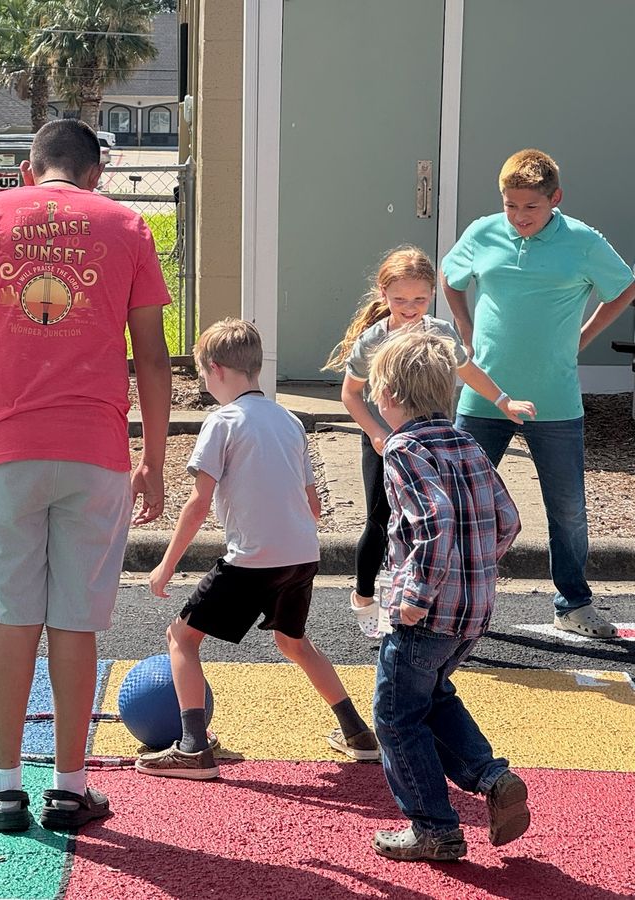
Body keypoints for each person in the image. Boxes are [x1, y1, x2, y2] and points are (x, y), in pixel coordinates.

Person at [0, 119, 172, 833]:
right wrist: (154, 460)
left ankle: (5, 787)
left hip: (4, 447)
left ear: (27, 169)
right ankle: (70, 788)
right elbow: (152, 356)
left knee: (13, 621)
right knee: (75, 622)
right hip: (94, 451)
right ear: (98, 173)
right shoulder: (127, 225)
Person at [138, 318, 378, 780]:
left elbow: (198, 503)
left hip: (252, 559)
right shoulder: (289, 420)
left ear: (216, 368)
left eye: (203, 374)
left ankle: (192, 748)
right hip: (302, 556)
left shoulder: (222, 421)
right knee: (293, 642)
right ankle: (358, 734)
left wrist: (166, 566)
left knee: (181, 638)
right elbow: (313, 504)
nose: (205, 383)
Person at [442, 149, 635, 639]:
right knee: (460, 501)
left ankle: (573, 604)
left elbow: (624, 288)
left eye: (531, 206)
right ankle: (451, 597)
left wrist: (583, 338)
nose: (519, 216)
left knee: (567, 509)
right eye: (511, 205)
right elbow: (450, 276)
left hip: (555, 400)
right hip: (484, 396)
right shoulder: (483, 232)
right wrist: (465, 328)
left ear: (556, 198)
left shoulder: (584, 242)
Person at [366, 328, 529, 862]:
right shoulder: (467, 443)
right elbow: (508, 519)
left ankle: (434, 827)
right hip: (472, 612)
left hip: (427, 613)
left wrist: (417, 593)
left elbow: (433, 521)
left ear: (391, 395)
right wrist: (475, 568)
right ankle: (491, 776)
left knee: (396, 716)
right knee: (432, 697)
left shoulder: (403, 448)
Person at [323, 246, 535, 637]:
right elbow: (350, 394)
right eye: (400, 299)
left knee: (431, 516)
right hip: (386, 439)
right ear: (383, 294)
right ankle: (365, 595)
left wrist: (503, 401)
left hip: (431, 440)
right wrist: (375, 432)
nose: (410, 308)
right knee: (381, 518)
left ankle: (419, 593)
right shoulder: (374, 340)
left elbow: (468, 370)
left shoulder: (439, 332)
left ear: (432, 295)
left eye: (420, 299)